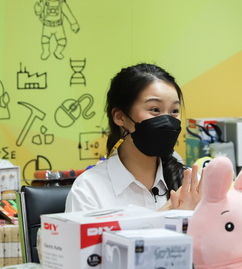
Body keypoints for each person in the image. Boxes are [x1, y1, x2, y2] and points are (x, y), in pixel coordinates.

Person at [66, 63, 201, 212]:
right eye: (155, 109)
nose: (167, 121)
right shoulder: (88, 190)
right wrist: (168, 213)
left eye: (174, 111)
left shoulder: (192, 184)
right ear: (120, 117)